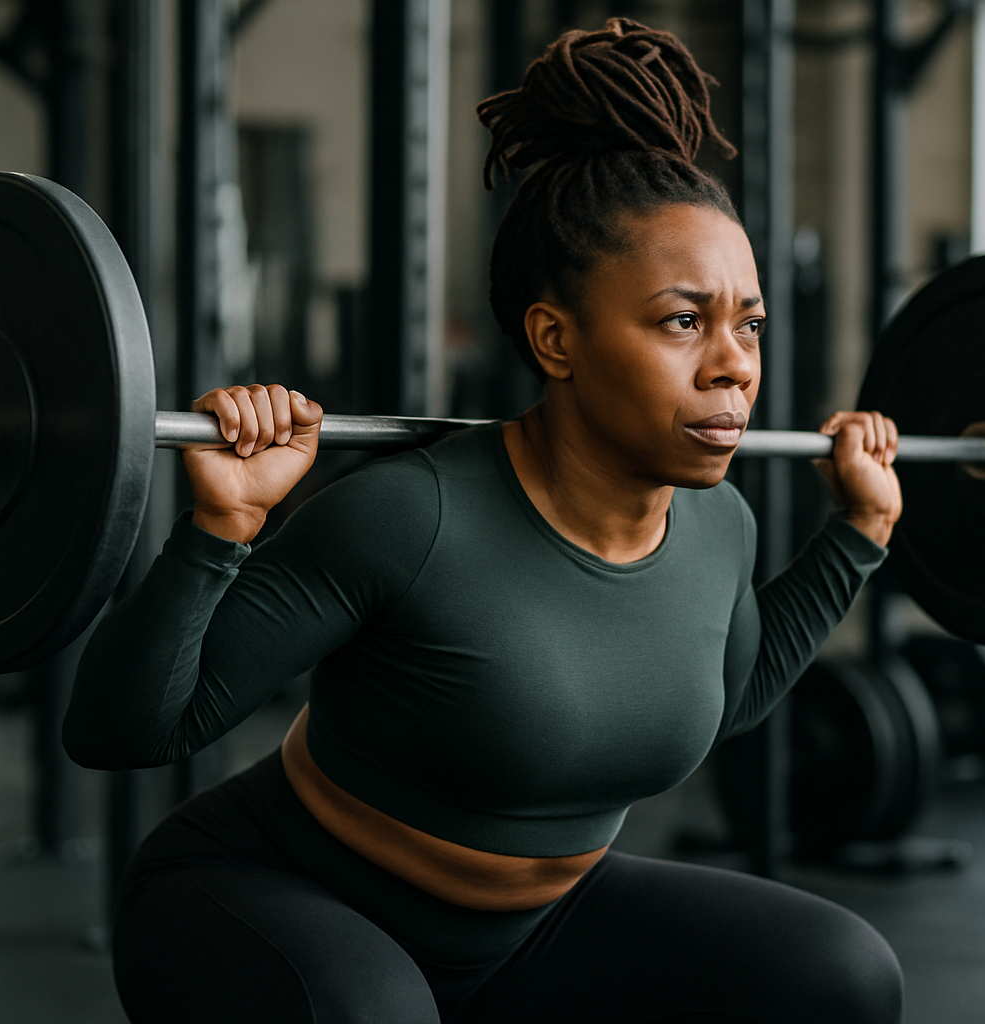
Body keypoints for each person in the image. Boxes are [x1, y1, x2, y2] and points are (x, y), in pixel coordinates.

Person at [65, 18, 904, 1024]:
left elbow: (723, 697)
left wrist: (855, 537)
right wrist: (219, 530)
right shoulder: (406, 516)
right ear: (556, 338)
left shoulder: (719, 524)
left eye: (748, 323)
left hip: (528, 933)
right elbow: (123, 729)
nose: (734, 363)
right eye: (684, 320)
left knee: (841, 973)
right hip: (268, 901)